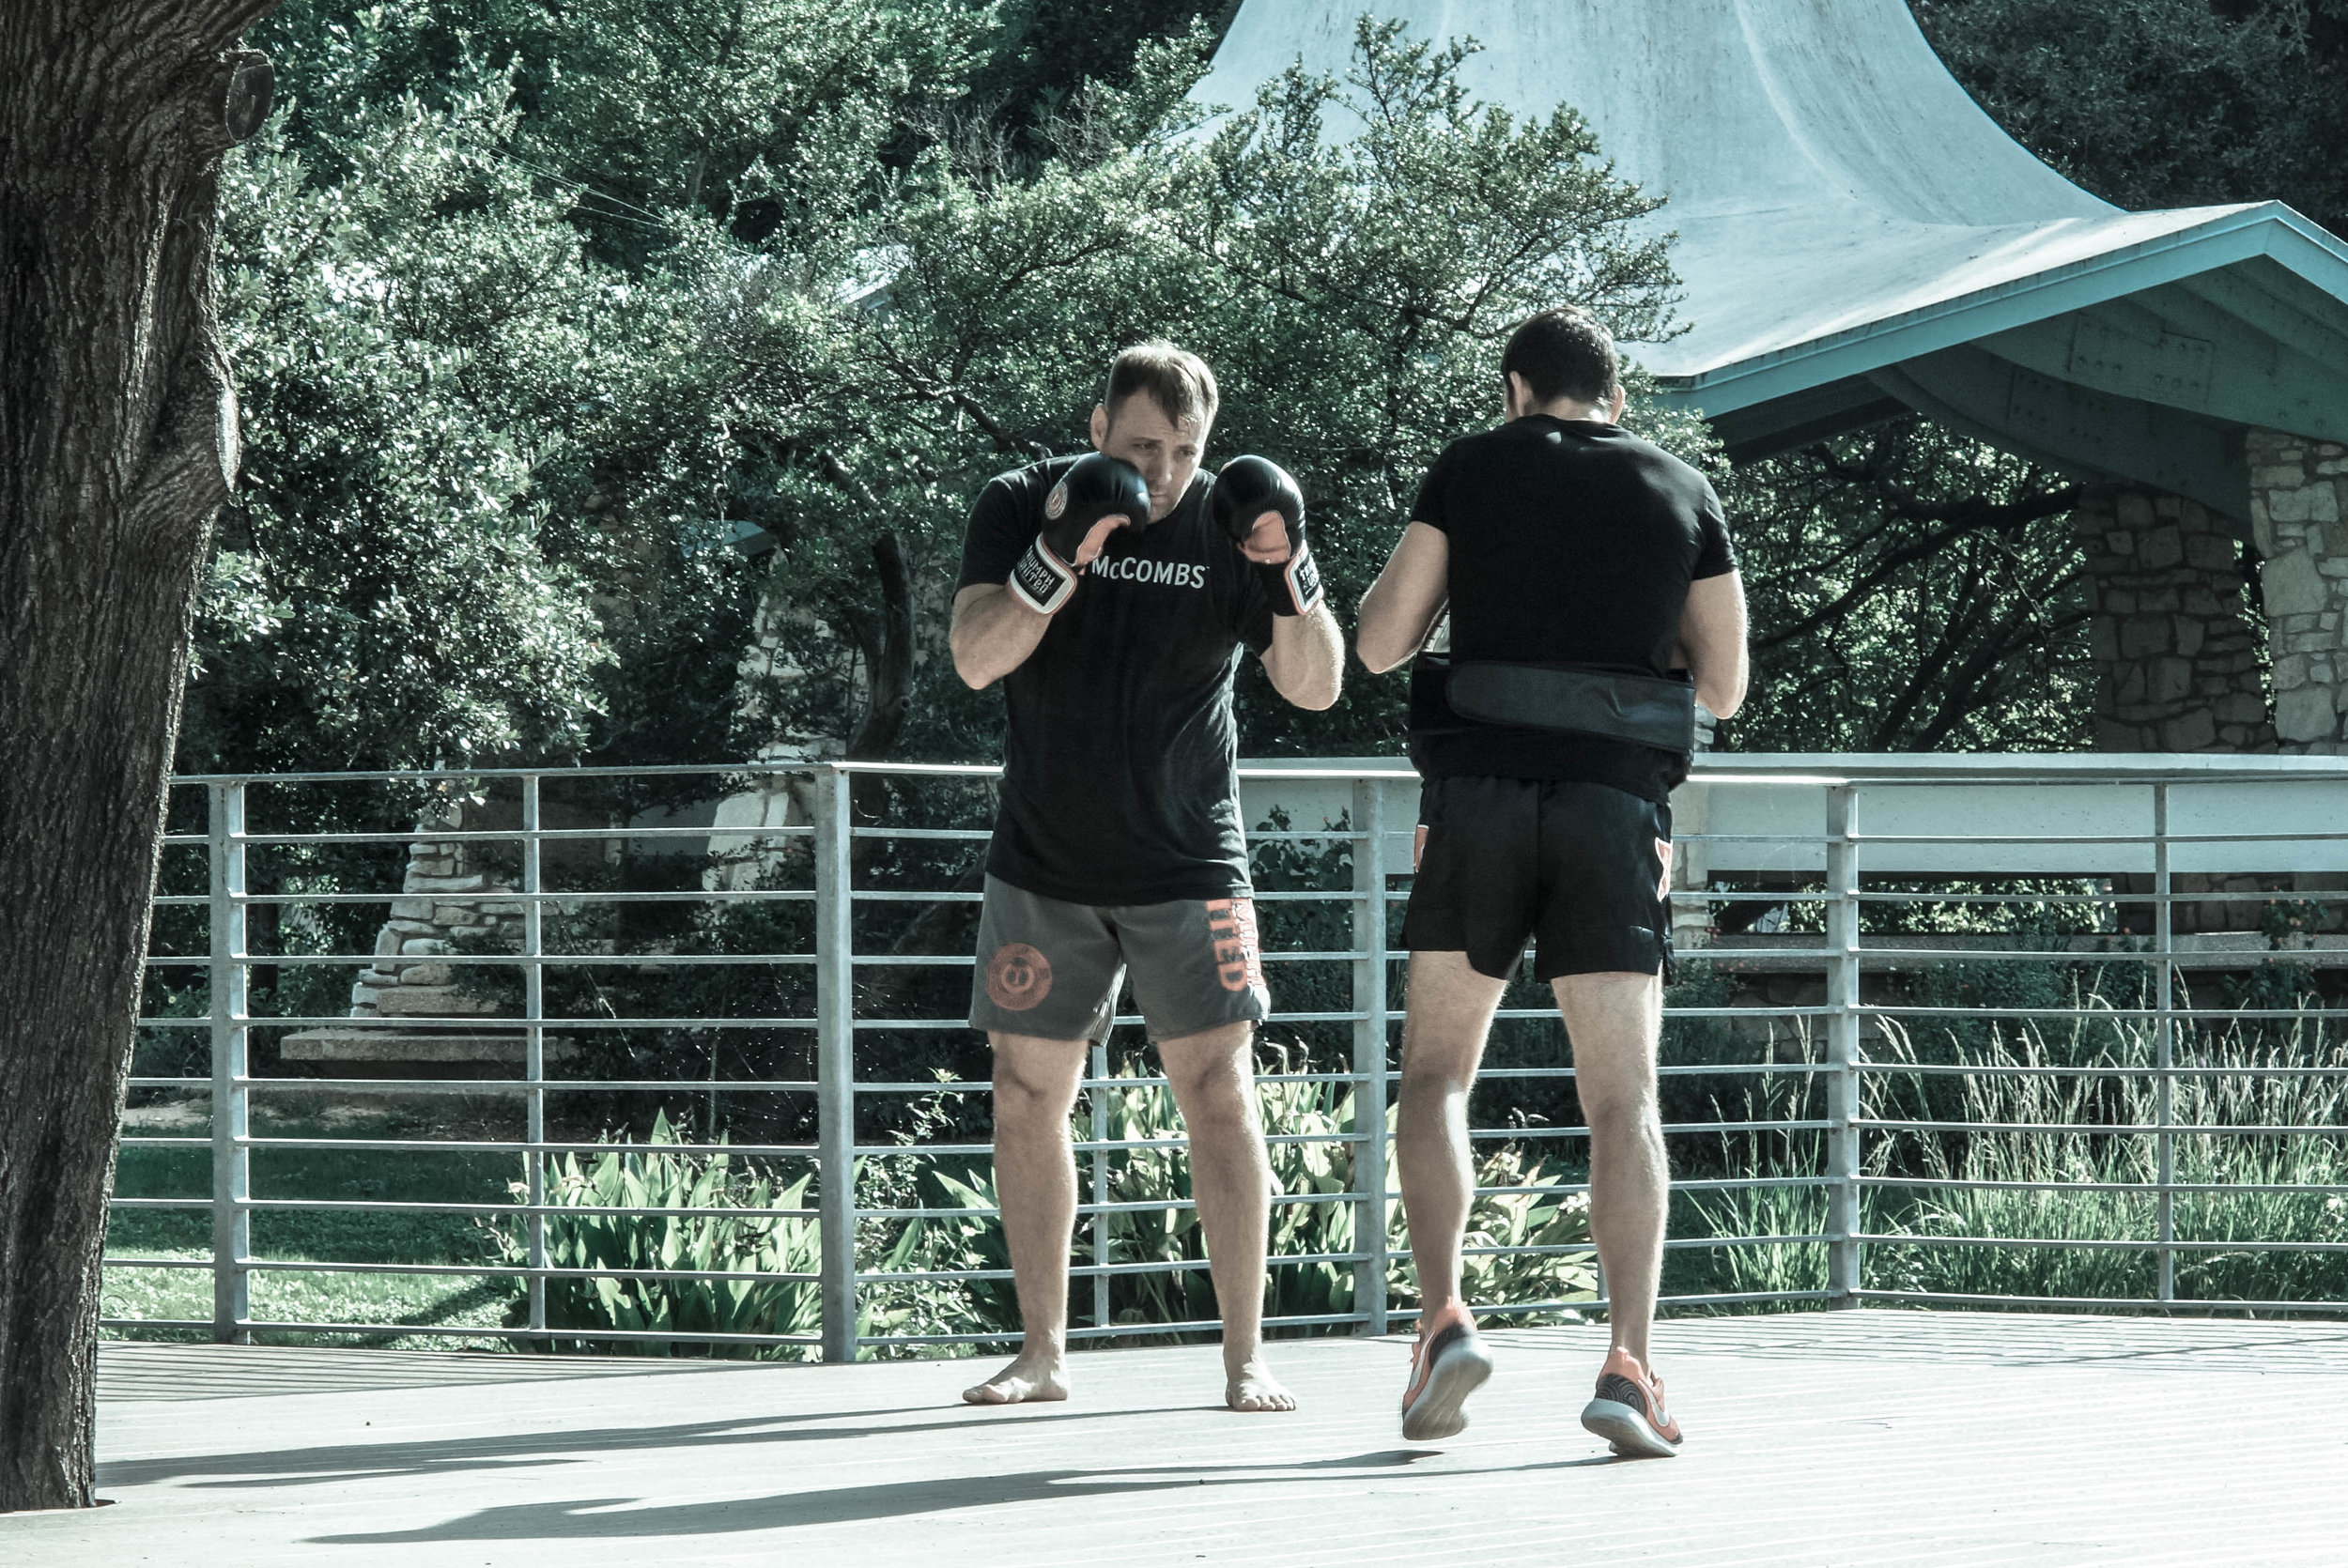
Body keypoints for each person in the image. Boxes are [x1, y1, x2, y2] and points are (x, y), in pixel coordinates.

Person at [1354, 306, 1748, 1454]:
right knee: (1621, 1099)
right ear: (1613, 397)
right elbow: (1723, 685)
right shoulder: (1681, 488)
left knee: (1434, 1076)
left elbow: (1381, 642)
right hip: (1613, 808)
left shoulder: (1470, 467)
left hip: (1476, 799)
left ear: (1515, 389)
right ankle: (1628, 1363)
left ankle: (1442, 1323)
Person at [949, 342, 1346, 1412]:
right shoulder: (1022, 500)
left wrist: (1289, 574)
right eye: (1139, 447)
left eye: (1182, 450)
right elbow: (976, 656)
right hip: (1045, 857)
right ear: (1096, 429)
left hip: (1188, 860)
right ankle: (1041, 1354)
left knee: (1219, 1091)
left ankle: (1245, 1356)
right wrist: (1054, 560)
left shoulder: (1230, 520)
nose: (1162, 471)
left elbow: (1314, 689)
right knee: (1025, 1093)